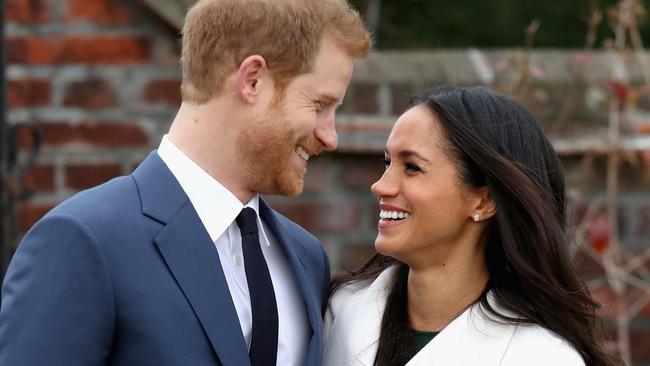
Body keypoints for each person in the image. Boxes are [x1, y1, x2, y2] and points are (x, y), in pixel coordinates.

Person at [0, 1, 371, 365]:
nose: (331, 136)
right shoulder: (84, 240)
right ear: (253, 80)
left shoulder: (307, 257)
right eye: (320, 105)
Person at [324, 86, 622, 366]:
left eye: (412, 167)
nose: (381, 186)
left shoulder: (541, 356)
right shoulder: (341, 313)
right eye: (387, 162)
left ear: (483, 201)